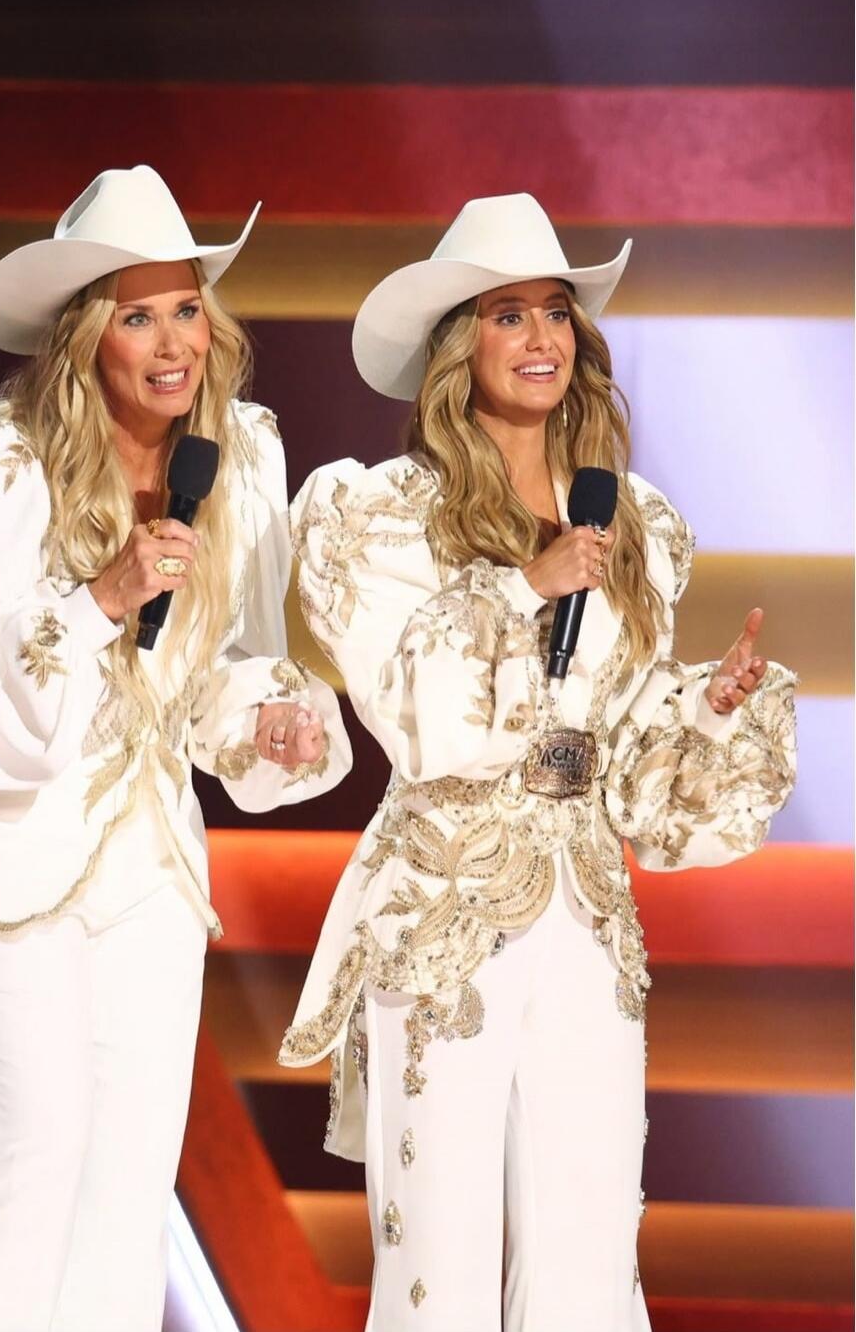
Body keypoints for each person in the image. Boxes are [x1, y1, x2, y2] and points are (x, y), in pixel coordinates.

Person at [278, 193, 796, 1331]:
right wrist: (527, 584)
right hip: (443, 909)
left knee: (590, 1244)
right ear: (461, 349)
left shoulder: (633, 523)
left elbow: (620, 748)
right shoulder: (378, 517)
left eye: (556, 312)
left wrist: (704, 708)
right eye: (509, 315)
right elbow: (410, 716)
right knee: (438, 1263)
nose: (542, 338)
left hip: (586, 912)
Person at [0, 165, 350, 1332]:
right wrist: (99, 595)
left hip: (144, 859)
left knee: (131, 1170)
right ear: (84, 333)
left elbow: (219, 672)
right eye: (137, 315)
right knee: (39, 1142)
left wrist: (269, 721)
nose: (171, 341)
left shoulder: (235, 458)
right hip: (0, 841)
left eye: (186, 308)